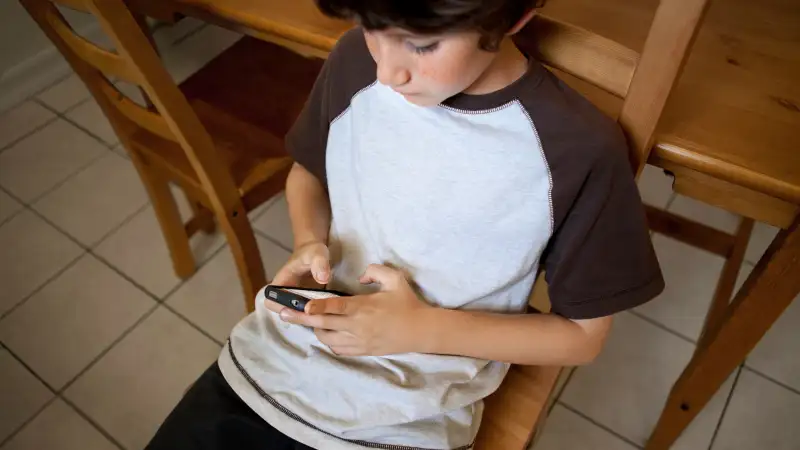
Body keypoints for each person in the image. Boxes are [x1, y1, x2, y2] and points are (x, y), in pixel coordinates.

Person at [146, 0, 665, 449]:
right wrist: (309, 239)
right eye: (375, 29)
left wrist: (420, 328)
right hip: (273, 368)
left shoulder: (576, 150)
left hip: (407, 417)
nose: (387, 72)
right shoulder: (353, 59)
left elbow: (582, 338)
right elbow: (308, 173)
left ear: (517, 15)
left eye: (420, 45)